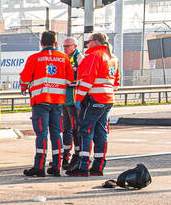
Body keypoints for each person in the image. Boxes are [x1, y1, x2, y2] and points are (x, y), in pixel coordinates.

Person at [19, 31, 73, 177]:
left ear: (41, 43)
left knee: (42, 133)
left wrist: (24, 87)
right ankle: (56, 166)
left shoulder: (34, 58)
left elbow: (25, 79)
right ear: (56, 43)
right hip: (58, 102)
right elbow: (70, 79)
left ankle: (39, 166)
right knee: (56, 133)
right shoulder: (64, 58)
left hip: (41, 101)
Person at [68, 32, 120, 177]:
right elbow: (116, 83)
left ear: (96, 41)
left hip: (94, 99)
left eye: (89, 41)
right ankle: (98, 166)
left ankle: (83, 166)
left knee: (86, 131)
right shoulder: (113, 58)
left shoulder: (94, 56)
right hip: (107, 100)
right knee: (101, 132)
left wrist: (78, 99)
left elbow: (87, 80)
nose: (87, 44)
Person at [60, 37, 83, 168]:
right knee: (66, 128)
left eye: (67, 46)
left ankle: (77, 155)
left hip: (74, 100)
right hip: (65, 99)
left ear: (75, 46)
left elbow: (81, 77)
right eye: (64, 46)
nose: (65, 49)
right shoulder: (64, 58)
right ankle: (65, 155)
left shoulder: (80, 58)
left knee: (76, 129)